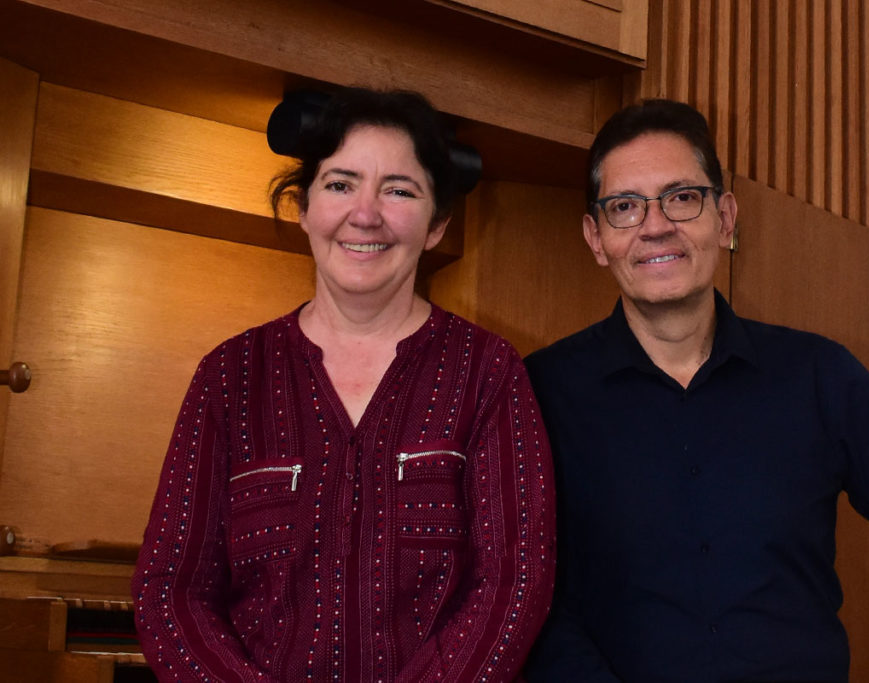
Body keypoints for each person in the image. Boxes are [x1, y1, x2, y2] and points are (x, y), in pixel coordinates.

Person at [523, 99, 869, 682]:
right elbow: (518, 593)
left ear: (725, 218)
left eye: (682, 197)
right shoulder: (536, 394)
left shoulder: (817, 376)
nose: (655, 226)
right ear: (596, 237)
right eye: (624, 207)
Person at [132, 88, 555, 682]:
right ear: (305, 208)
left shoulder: (488, 371)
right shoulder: (228, 376)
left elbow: (514, 582)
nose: (365, 213)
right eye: (340, 183)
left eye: (399, 189)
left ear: (436, 225)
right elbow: (171, 591)